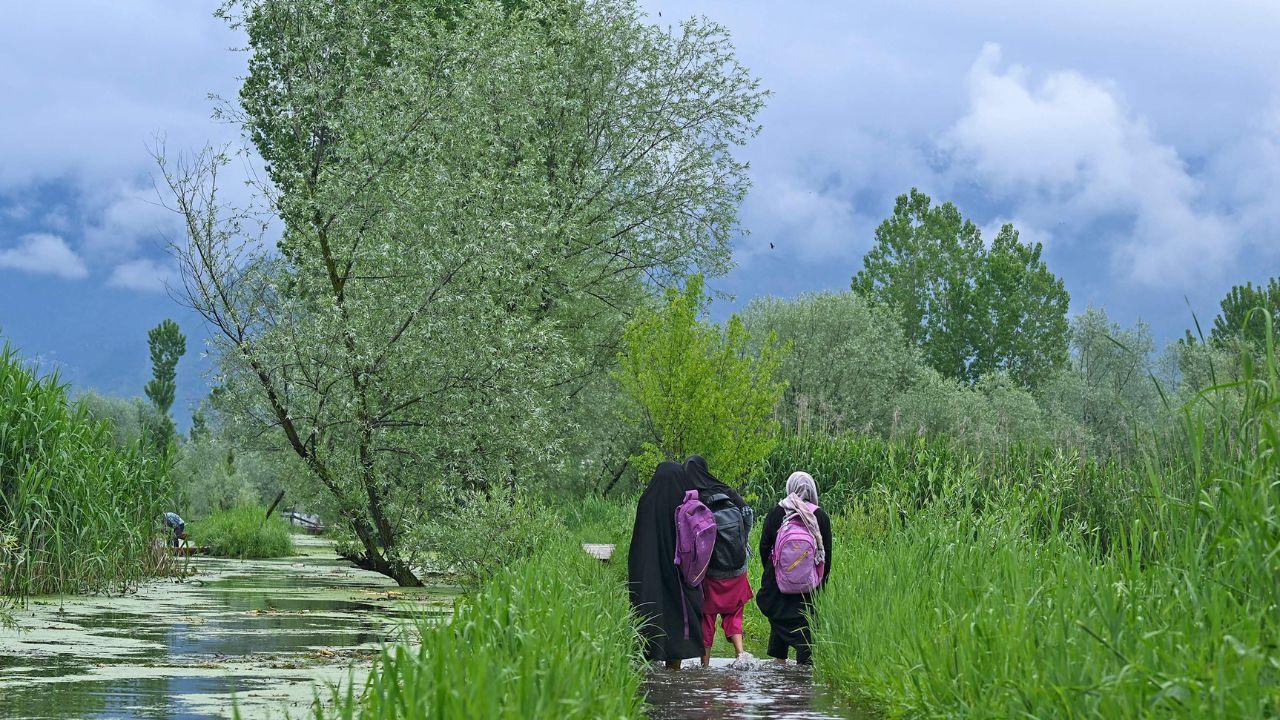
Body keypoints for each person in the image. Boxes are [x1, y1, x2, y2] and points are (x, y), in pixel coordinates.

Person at [628, 461, 704, 669]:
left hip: (648, 571)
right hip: (678, 573)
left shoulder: (647, 501)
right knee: (678, 617)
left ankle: (649, 669)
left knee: (650, 614)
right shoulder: (684, 506)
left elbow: (638, 542)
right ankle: (674, 667)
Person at [755, 471, 833, 666]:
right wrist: (819, 584)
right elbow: (827, 556)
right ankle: (802, 678)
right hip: (807, 591)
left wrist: (777, 574)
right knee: (805, 634)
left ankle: (779, 666)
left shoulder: (778, 512)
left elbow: (764, 547)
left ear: (790, 488)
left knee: (779, 624)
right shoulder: (820, 516)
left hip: (779, 589)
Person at [683, 455, 754, 667]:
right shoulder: (726, 491)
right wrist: (743, 543)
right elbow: (749, 514)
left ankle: (705, 665)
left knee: (707, 616)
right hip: (737, 567)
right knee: (734, 613)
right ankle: (741, 655)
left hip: (711, 571)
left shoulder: (695, 499)